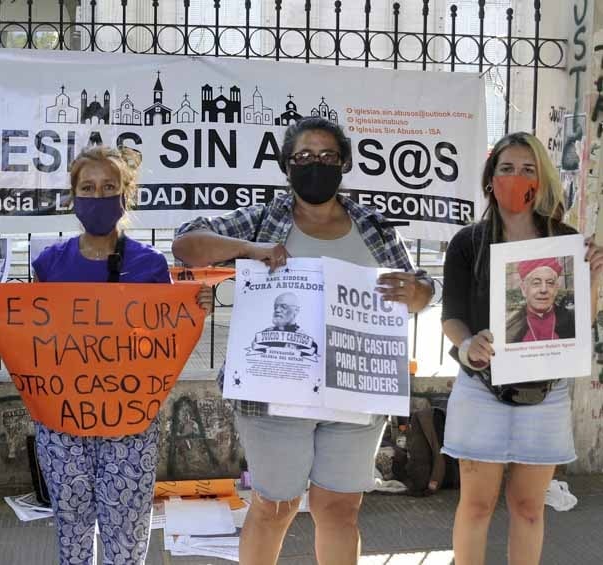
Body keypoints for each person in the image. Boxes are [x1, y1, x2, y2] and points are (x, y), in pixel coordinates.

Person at [172, 116, 433, 565]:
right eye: (305, 157)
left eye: (328, 156)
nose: (317, 164)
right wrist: (251, 251)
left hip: (355, 392)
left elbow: (420, 289)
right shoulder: (264, 219)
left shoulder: (374, 227)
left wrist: (420, 292)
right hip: (275, 393)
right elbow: (186, 244)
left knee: (340, 510)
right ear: (286, 166)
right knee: (275, 507)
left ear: (345, 163)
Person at [0, 145, 213, 565]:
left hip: (129, 421)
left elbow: (161, 337)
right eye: (88, 187)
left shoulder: (149, 265)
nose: (98, 195)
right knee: (71, 527)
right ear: (74, 197)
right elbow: (37, 334)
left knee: (125, 532)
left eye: (109, 186)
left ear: (126, 194)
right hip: (63, 422)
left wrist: (193, 306)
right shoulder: (50, 263)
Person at [440, 132, 603, 565]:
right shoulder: (467, 243)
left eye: (527, 169)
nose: (516, 178)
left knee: (529, 509)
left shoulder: (566, 243)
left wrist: (594, 282)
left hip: (545, 394)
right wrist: (468, 343)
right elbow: (451, 317)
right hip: (480, 390)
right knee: (475, 506)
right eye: (506, 168)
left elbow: (573, 331)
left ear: (541, 180)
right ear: (490, 179)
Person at [505, 257, 575, 343]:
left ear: (556, 289)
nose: (543, 290)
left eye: (550, 283)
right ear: (523, 289)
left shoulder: (573, 321)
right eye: (536, 283)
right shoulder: (509, 330)